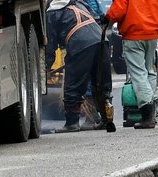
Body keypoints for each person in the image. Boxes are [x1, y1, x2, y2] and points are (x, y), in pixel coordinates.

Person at [104, 0, 158, 129]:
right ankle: (152, 112)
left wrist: (107, 18)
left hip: (133, 36)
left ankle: (147, 115)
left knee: (139, 74)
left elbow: (118, 10)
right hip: (152, 35)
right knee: (149, 71)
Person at [45, 0, 112, 132]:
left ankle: (72, 123)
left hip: (80, 43)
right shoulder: (80, 4)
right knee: (100, 83)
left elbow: (50, 44)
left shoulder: (52, 13)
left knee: (72, 84)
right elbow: (98, 18)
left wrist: (46, 67)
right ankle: (106, 120)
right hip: (101, 40)